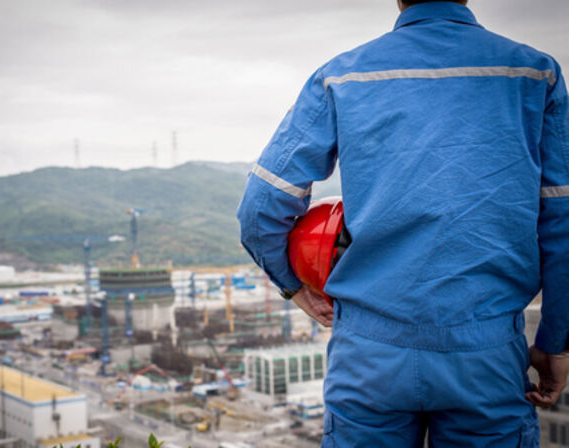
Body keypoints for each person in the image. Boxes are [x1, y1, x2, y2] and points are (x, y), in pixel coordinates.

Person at [236, 0, 569, 446]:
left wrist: (294, 287)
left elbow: (260, 209)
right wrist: (555, 342)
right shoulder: (535, 75)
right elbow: (563, 221)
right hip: (485, 357)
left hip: (369, 359)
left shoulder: (341, 76)